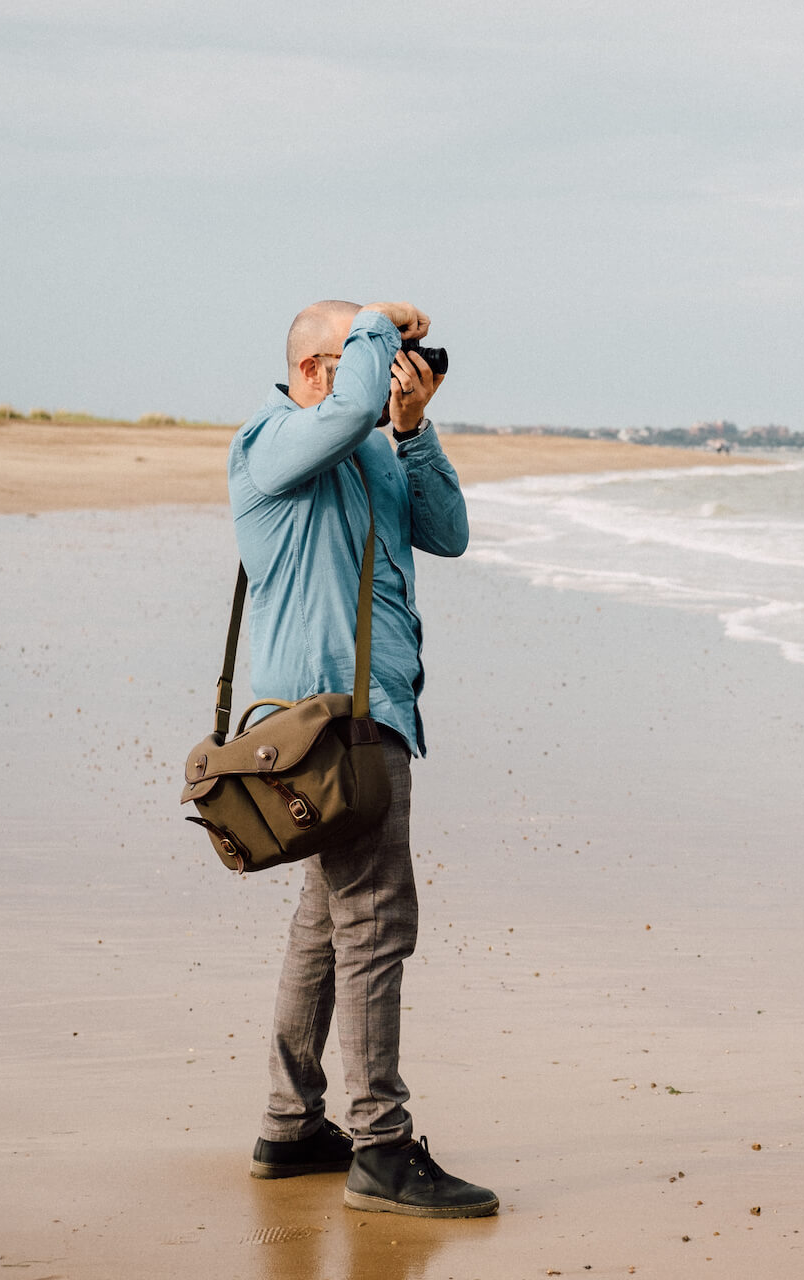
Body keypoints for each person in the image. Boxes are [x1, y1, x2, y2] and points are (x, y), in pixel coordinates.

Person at [228, 299, 496, 1218]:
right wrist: (380, 316)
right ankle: (381, 1148)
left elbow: (450, 534)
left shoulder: (373, 450)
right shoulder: (271, 439)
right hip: (323, 729)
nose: (385, 371)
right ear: (315, 369)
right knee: (377, 920)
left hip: (374, 716)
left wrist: (413, 429)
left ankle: (291, 1124)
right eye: (367, 357)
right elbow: (343, 413)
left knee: (327, 920)